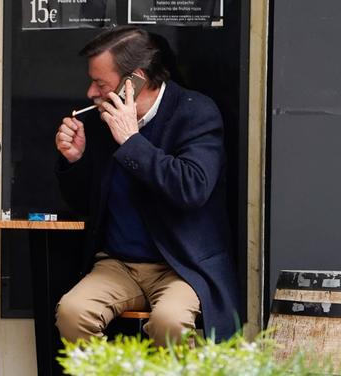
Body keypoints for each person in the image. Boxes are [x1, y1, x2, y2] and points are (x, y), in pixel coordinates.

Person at [54, 26, 239, 346]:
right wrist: (76, 160)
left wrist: (131, 142)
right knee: (72, 312)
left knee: (170, 323)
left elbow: (192, 189)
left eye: (100, 83)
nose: (91, 93)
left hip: (181, 266)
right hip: (118, 264)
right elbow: (86, 205)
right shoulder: (102, 121)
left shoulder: (195, 112)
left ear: (134, 80)